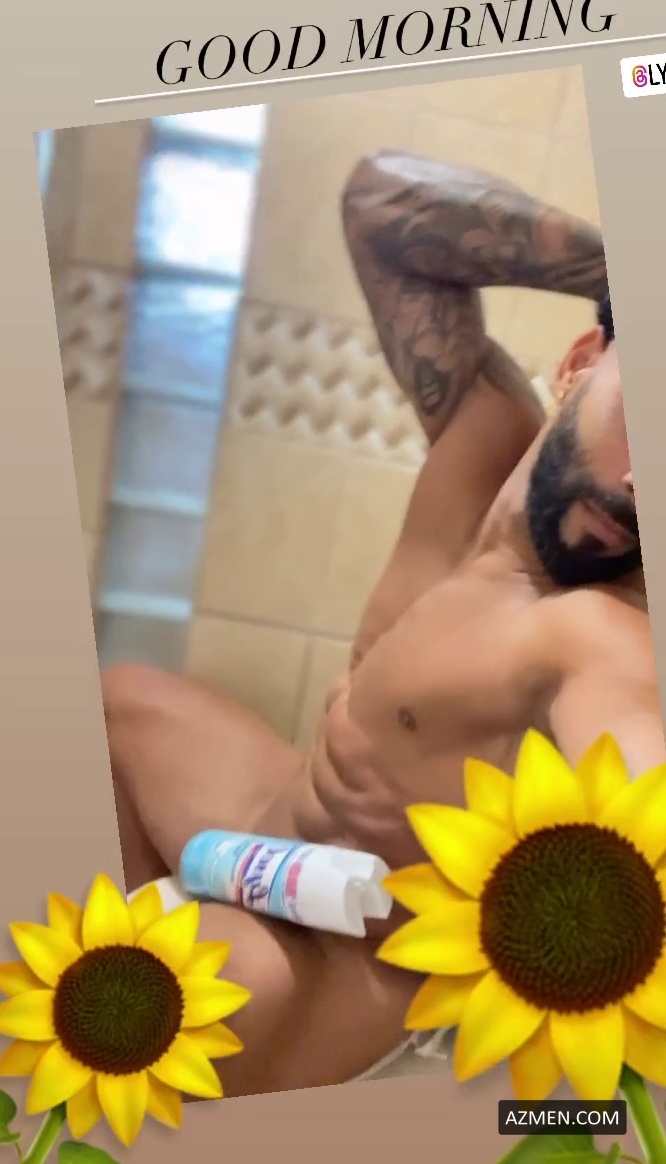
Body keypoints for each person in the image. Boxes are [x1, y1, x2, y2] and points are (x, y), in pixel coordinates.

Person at [103, 152, 664, 1096]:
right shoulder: (483, 440)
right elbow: (382, 204)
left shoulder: (598, 633)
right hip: (279, 831)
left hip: (345, 962)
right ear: (580, 364)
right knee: (116, 706)